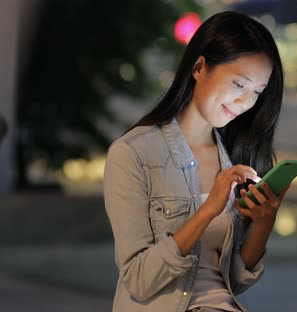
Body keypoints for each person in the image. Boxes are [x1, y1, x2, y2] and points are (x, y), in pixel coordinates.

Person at [103, 11, 287, 312]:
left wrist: (266, 219)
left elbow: (235, 281)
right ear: (200, 67)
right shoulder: (133, 153)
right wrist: (208, 210)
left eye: (257, 92)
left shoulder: (235, 159)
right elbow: (138, 280)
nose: (246, 102)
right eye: (239, 85)